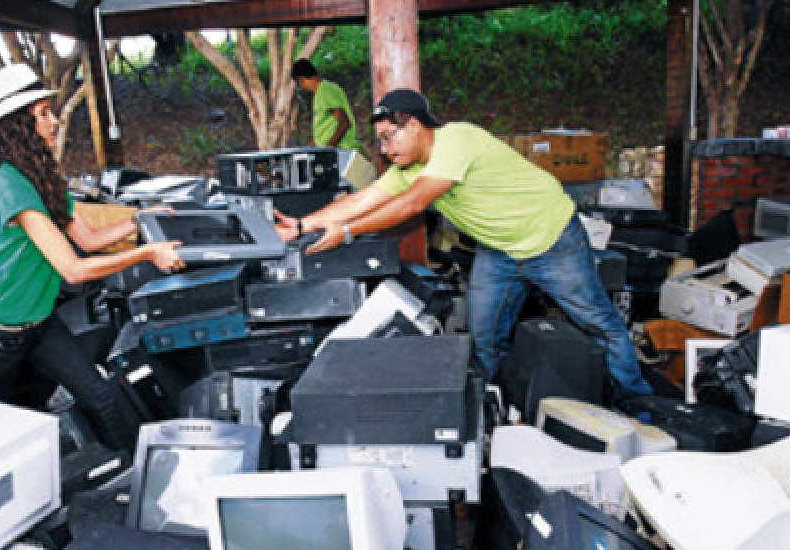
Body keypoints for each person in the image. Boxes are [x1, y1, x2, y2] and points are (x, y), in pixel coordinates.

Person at [276, 88, 651, 397]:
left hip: (551, 240)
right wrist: (302, 224)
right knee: (484, 335)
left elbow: (411, 204)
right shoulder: (408, 169)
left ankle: (636, 399)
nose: (385, 150)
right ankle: (499, 406)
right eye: (380, 142)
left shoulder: (457, 139)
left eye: (389, 137)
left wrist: (346, 232)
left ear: (417, 125)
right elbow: (365, 199)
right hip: (500, 251)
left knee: (600, 323)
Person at [0, 63, 184, 450]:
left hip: (39, 324)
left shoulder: (43, 177)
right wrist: (148, 252)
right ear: (19, 125)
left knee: (99, 396)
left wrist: (138, 219)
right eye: (43, 114)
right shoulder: (11, 186)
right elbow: (74, 268)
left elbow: (91, 239)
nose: (54, 121)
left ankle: (134, 481)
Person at [291, 58, 376, 188]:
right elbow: (324, 132)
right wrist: (304, 149)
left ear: (301, 79)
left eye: (298, 83)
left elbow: (344, 122)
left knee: (350, 194)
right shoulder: (320, 93)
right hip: (334, 155)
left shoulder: (326, 90)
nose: (300, 87)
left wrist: (328, 148)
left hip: (342, 154)